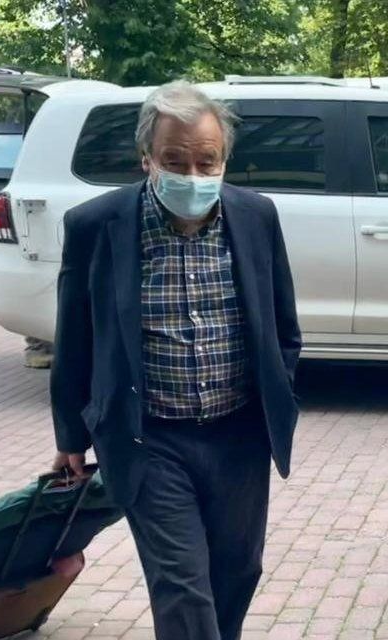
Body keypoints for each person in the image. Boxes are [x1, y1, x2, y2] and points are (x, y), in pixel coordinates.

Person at [49, 81, 302, 640]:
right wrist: (71, 436)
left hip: (239, 434)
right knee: (182, 585)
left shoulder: (256, 216)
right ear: (147, 159)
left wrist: (278, 390)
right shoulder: (96, 225)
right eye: (174, 161)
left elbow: (283, 325)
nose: (192, 175)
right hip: (149, 438)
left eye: (206, 161)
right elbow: (75, 339)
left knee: (237, 571)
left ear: (224, 159)